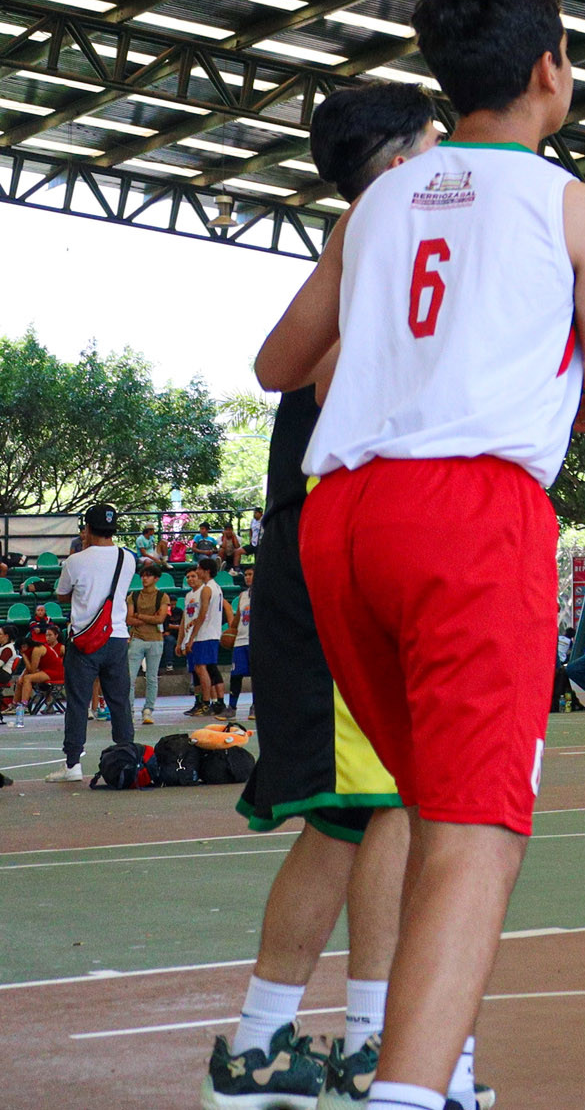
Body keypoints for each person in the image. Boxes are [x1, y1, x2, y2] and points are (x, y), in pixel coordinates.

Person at [257, 0, 585, 1110]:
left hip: (344, 520)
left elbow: (281, 364)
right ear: (550, 69)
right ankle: (410, 1092)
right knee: (478, 826)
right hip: (469, 518)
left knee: (428, 802)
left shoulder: (378, 200)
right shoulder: (575, 206)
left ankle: (439, 1068)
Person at [211, 79, 445, 1110]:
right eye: (436, 141)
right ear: (399, 162)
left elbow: (277, 362)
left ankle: (285, 1043)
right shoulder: (374, 238)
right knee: (379, 804)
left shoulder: (365, 239)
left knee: (356, 815)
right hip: (329, 552)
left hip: (328, 551)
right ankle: (337, 1043)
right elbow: (307, 373)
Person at [47, 504, 134, 782]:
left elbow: (62, 595)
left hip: (85, 641)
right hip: (117, 637)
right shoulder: (128, 558)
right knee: (119, 701)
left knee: (77, 702)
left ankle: (73, 765)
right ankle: (126, 760)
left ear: (87, 528)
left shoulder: (76, 561)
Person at [181, 555, 229, 716]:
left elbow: (202, 614)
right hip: (212, 632)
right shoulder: (216, 588)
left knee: (201, 668)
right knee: (206, 668)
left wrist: (192, 637)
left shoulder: (207, 589)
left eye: (199, 569)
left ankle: (206, 703)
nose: (197, 571)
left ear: (206, 571)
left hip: (206, 633)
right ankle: (214, 702)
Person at [128, 559, 172, 726]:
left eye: (148, 576)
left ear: (156, 578)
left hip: (155, 640)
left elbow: (161, 618)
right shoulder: (134, 595)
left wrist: (139, 616)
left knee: (152, 677)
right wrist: (148, 618)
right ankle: (129, 710)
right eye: (143, 576)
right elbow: (128, 618)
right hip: (137, 638)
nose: (144, 579)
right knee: (130, 677)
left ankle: (148, 710)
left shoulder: (162, 596)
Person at [228, 565, 255, 720]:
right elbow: (238, 618)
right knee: (236, 675)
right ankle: (231, 707)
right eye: (246, 574)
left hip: (255, 641)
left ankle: (255, 706)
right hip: (240, 640)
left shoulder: (264, 594)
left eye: (250, 574)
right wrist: (231, 631)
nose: (247, 577)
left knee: (256, 676)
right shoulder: (243, 595)